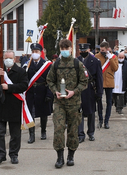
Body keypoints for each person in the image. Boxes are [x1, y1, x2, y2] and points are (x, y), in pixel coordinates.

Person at [46, 39, 88, 168]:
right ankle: (59, 157)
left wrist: (74, 92)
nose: (64, 50)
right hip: (59, 103)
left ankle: (71, 156)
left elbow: (84, 82)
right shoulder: (56, 64)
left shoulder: (78, 64)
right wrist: (55, 91)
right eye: (62, 48)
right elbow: (49, 80)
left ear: (71, 49)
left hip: (74, 103)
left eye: (67, 48)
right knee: (58, 129)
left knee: (73, 131)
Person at [0, 50, 28, 165]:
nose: (8, 60)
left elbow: (24, 86)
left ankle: (14, 154)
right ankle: (0, 154)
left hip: (14, 106)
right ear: (3, 59)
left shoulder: (20, 71)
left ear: (15, 59)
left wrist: (9, 87)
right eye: (6, 58)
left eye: (10, 58)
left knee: (15, 134)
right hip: (0, 106)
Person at [24, 43, 53, 143]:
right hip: (31, 92)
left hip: (42, 91)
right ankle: (31, 134)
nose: (34, 53)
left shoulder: (47, 65)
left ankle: (43, 131)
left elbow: (50, 80)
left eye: (36, 52)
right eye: (33, 52)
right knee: (30, 114)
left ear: (41, 53)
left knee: (43, 114)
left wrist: (49, 94)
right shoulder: (27, 65)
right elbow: (25, 79)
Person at [77, 43, 103, 143]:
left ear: (89, 50)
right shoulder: (77, 60)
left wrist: (99, 92)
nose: (83, 52)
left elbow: (99, 78)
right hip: (79, 89)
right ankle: (80, 134)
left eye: (85, 50)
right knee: (79, 112)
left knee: (91, 112)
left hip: (90, 89)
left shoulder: (96, 61)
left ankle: (91, 132)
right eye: (81, 51)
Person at [95, 41, 118, 129]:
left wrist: (110, 58)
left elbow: (115, 68)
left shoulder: (113, 57)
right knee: (99, 102)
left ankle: (106, 121)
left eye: (103, 50)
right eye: (100, 50)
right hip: (100, 82)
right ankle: (100, 120)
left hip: (109, 82)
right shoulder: (97, 56)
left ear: (107, 49)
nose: (102, 51)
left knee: (109, 103)